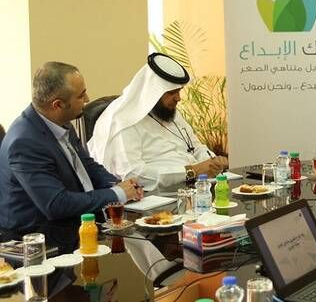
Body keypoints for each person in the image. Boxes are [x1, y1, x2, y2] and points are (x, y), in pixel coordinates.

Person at [0, 62, 143, 231]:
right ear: (58, 105)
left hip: (76, 223)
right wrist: (118, 193)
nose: (87, 99)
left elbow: (87, 165)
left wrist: (119, 185)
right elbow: (56, 204)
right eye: (81, 95)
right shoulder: (24, 142)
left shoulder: (59, 121)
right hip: (39, 236)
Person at [88, 53, 228, 191]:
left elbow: (196, 147)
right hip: (156, 195)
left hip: (194, 187)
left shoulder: (170, 113)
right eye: (171, 93)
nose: (178, 98)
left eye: (179, 91)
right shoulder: (123, 122)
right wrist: (191, 171)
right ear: (152, 92)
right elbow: (133, 174)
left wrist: (213, 162)